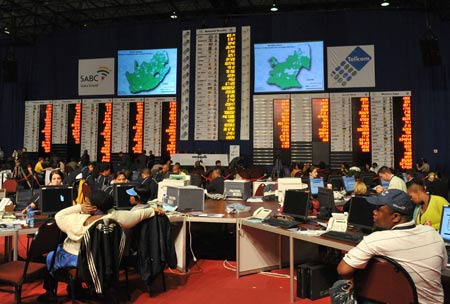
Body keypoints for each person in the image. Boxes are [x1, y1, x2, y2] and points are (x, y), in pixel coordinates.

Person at [38, 190, 164, 301]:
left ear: (93, 207)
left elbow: (58, 216)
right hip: (106, 261)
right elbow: (139, 214)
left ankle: (55, 291)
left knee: (52, 255)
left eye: (86, 202)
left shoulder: (76, 222)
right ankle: (78, 288)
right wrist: (153, 209)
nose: (84, 204)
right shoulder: (116, 217)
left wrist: (78, 208)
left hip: (82, 261)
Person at [334, 189, 447, 304]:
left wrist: (352, 278)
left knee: (340, 286)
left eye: (379, 209)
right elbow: (442, 268)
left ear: (396, 217)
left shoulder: (377, 239)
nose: (374, 211)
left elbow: (343, 270)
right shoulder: (432, 232)